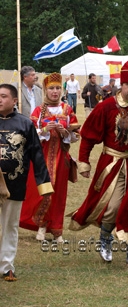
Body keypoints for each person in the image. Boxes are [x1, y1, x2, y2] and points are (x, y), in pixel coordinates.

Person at [69, 59, 128, 269]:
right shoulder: (107, 106)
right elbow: (89, 136)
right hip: (113, 163)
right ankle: (105, 241)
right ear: (122, 85)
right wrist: (84, 162)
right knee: (112, 207)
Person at [0, 84, 53, 282]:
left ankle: (7, 266)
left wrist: (44, 185)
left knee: (9, 225)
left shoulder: (25, 124)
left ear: (14, 101)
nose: (0, 99)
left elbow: (37, 156)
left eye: (4, 96)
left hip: (15, 184)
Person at [19, 73, 80, 242]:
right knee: (44, 190)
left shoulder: (67, 110)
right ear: (45, 90)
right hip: (42, 157)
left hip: (61, 157)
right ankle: (41, 226)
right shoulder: (38, 110)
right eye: (51, 88)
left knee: (59, 192)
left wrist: (65, 132)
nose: (55, 91)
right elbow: (31, 135)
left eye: (58, 88)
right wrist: (45, 130)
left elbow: (75, 136)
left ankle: (57, 230)